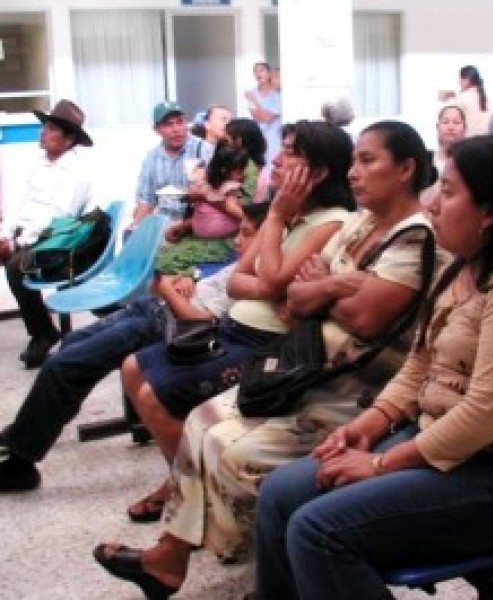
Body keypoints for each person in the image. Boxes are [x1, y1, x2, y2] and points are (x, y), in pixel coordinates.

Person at [93, 121, 438, 598]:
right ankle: (171, 561)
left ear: (406, 170)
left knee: (231, 451)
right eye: (354, 160)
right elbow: (288, 294)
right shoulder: (362, 224)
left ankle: (265, 568)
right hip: (308, 364)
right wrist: (333, 283)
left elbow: (363, 318)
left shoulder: (410, 235)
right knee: (198, 422)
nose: (355, 172)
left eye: (368, 160)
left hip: (353, 389)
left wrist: (322, 287)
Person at [251, 132, 493, 600]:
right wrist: (369, 426)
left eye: (447, 192)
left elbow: (485, 416)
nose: (431, 205)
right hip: (444, 442)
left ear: (489, 213)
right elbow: (417, 366)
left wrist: (381, 463)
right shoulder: (464, 269)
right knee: (281, 492)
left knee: (319, 530)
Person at [116, 120, 356, 522]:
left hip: (266, 343)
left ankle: (187, 497)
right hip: (231, 327)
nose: (277, 160)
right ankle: (186, 484)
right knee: (131, 367)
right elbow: (239, 282)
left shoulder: (330, 219)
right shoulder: (295, 214)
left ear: (319, 171)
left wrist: (276, 218)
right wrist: (270, 281)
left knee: (153, 395)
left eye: (291, 152)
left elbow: (275, 279)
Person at [0, 202, 269, 492]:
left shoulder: (257, 276)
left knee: (66, 365)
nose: (237, 240)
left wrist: (164, 285)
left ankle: (21, 463)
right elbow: (202, 284)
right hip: (153, 308)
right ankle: (26, 431)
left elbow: (202, 321)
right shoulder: (242, 264)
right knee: (72, 344)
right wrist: (183, 280)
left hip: (164, 322)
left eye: (246, 234)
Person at [0, 99, 95, 368]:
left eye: (52, 128)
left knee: (15, 267)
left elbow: (57, 218)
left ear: (68, 139)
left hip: (58, 242)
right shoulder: (40, 164)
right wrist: (6, 233)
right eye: (47, 126)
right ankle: (43, 331)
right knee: (10, 258)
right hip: (27, 235)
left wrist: (17, 242)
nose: (44, 132)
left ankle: (42, 333)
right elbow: (21, 204)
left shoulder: (76, 172)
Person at [156, 141, 251, 276]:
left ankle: (194, 275)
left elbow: (236, 211)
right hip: (198, 236)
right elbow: (193, 200)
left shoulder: (230, 188)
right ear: (225, 170)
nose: (244, 174)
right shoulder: (210, 185)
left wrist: (209, 198)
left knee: (167, 263)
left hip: (219, 242)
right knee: (164, 257)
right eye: (240, 170)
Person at [130, 101, 213, 229]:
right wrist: (135, 228)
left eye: (180, 122)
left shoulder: (203, 150)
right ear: (157, 129)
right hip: (163, 224)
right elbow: (146, 200)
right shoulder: (152, 157)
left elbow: (217, 193)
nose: (176, 129)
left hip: (195, 223)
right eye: (168, 124)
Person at [245, 62, 282, 167]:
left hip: (275, 135)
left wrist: (255, 101)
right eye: (255, 71)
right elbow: (256, 117)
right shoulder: (251, 92)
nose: (258, 74)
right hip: (258, 133)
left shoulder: (278, 93)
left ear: (269, 73)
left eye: (261, 70)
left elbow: (266, 118)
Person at [224, 118, 267, 203]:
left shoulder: (249, 167)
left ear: (239, 140)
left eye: (227, 137)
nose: (224, 140)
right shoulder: (245, 164)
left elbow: (245, 201)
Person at [441, 65, 491, 137]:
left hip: (468, 143)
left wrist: (450, 97)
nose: (459, 82)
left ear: (466, 80)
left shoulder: (462, 98)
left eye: (460, 79)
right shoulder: (488, 99)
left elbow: (446, 113)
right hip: (487, 142)